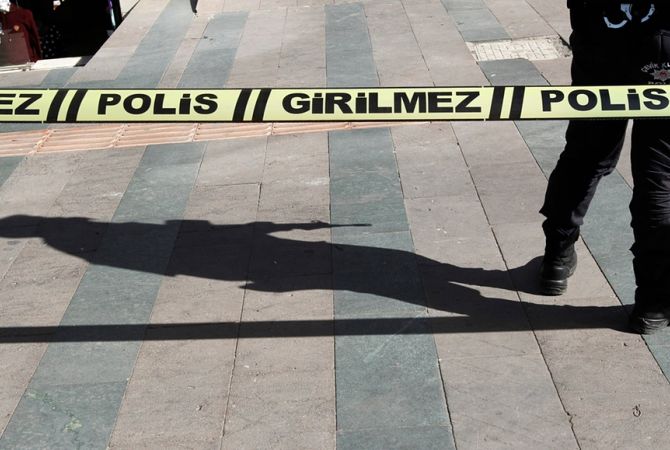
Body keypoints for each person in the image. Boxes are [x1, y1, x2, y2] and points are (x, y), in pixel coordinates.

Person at [539, 1, 670, 334]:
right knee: (659, 170)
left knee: (586, 153)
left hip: (601, 35)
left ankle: (557, 255)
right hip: (660, 43)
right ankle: (652, 302)